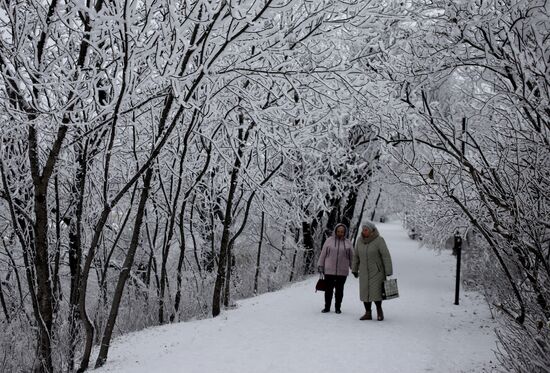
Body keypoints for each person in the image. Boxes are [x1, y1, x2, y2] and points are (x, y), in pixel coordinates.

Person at [352, 221, 393, 321]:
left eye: (366, 230)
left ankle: (379, 310)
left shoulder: (379, 240)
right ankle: (368, 313)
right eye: (363, 229)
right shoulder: (359, 241)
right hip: (364, 272)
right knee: (365, 292)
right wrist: (354, 269)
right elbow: (356, 256)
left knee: (377, 292)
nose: (364, 231)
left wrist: (388, 270)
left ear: (372, 231)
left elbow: (386, 256)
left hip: (377, 272)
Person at [317, 223, 353, 314]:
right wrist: (320, 265)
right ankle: (327, 307)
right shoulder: (329, 241)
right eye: (338, 231)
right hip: (329, 270)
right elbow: (323, 254)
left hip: (342, 271)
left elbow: (352, 257)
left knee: (339, 290)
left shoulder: (348, 242)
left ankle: (338, 308)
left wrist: (354, 268)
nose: (340, 233)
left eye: (342, 232)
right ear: (335, 231)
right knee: (328, 290)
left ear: (345, 232)